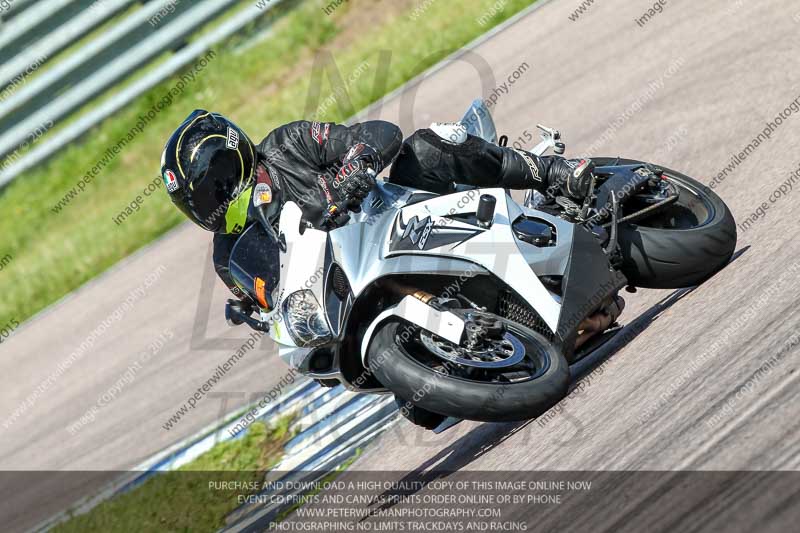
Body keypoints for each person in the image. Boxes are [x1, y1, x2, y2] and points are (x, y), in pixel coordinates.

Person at [159, 110, 596, 303]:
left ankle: (554, 172)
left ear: (227, 165)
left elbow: (377, 132)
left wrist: (357, 164)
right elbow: (271, 305)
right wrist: (261, 313)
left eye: (206, 192)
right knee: (424, 411)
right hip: (360, 293)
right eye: (193, 204)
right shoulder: (227, 255)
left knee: (429, 145)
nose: (206, 208)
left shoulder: (286, 145)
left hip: (403, 218)